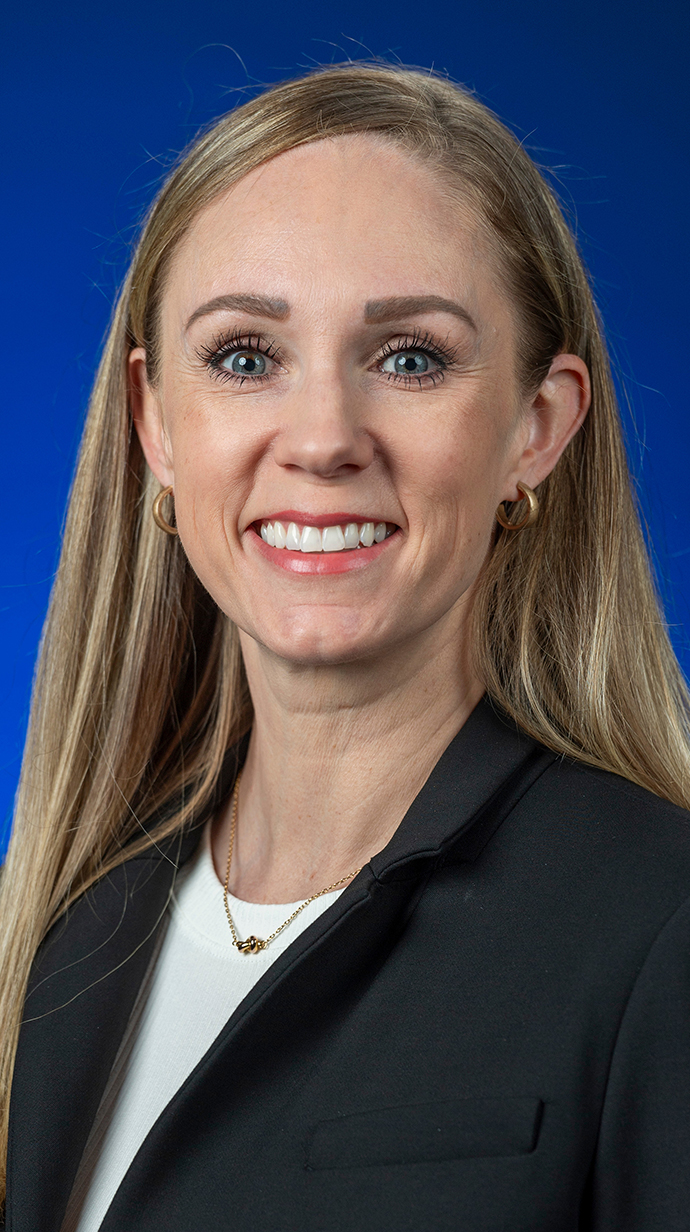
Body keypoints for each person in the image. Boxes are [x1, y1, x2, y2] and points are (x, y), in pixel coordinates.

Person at [1, 62, 689, 1232]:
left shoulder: (659, 924)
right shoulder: (65, 935)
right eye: (245, 356)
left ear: (538, 427)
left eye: (410, 357)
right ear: (155, 422)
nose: (322, 438)